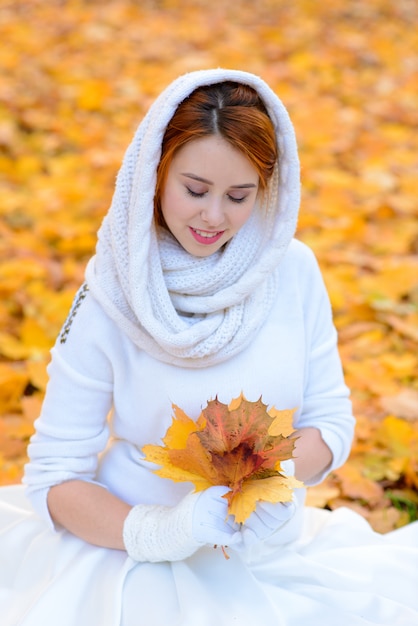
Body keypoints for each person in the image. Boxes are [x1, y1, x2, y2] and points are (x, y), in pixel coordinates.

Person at [0, 68, 417, 626]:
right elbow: (55, 474)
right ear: (154, 173)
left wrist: (277, 477)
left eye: (239, 196)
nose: (213, 217)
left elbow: (331, 420)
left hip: (272, 554)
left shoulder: (292, 270)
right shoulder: (110, 292)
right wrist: (162, 531)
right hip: (129, 558)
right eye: (194, 190)